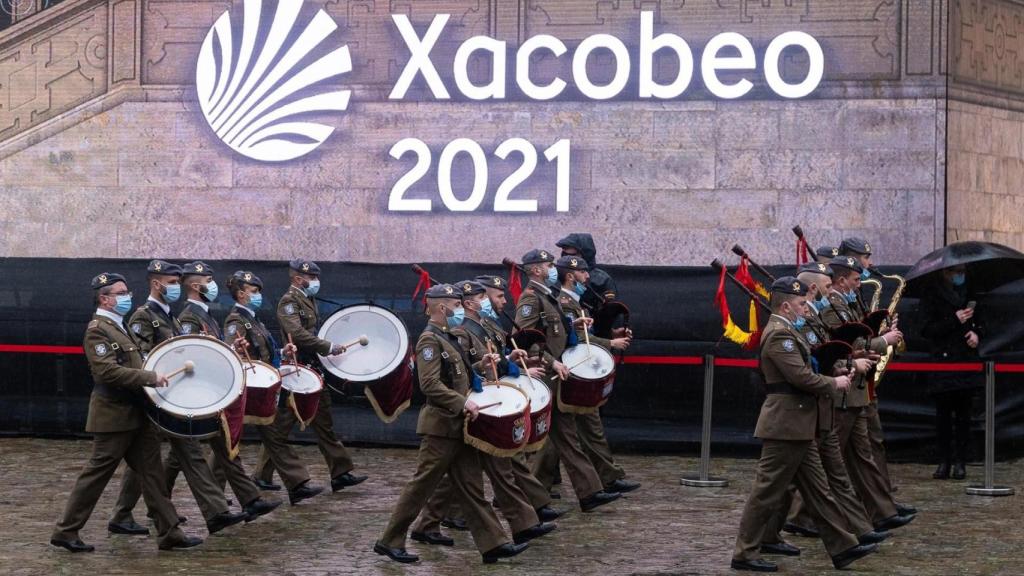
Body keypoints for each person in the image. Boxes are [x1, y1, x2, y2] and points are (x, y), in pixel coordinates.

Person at [730, 277, 877, 573]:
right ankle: (744, 553)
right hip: (785, 424)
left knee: (819, 490)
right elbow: (800, 377)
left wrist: (837, 369)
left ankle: (843, 546)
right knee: (766, 491)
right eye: (800, 304)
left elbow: (810, 366)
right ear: (786, 306)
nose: (805, 308)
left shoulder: (789, 332)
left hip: (799, 423)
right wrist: (834, 383)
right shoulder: (779, 336)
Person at [374, 283, 528, 564]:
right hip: (441, 428)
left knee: (472, 488)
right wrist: (462, 403)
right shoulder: (429, 340)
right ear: (442, 308)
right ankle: (389, 541)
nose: (461, 310)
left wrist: (484, 365)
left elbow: (461, 375)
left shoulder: (450, 337)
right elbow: (430, 384)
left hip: (460, 427)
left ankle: (493, 543)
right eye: (457, 305)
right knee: (420, 487)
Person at [51, 273, 202, 552]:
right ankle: (66, 530)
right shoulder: (98, 329)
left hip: (137, 413)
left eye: (126, 292)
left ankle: (170, 532)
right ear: (104, 299)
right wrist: (149, 378)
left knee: (153, 474)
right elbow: (106, 371)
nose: (127, 297)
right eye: (120, 293)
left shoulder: (119, 325)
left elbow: (136, 361)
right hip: (114, 416)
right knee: (97, 474)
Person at [411, 280, 556, 548]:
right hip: (466, 409)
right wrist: (466, 400)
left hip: (482, 405)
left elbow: (472, 367)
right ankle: (407, 532)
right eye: (488, 298)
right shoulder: (454, 333)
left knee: (478, 472)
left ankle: (517, 528)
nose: (496, 302)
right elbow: (440, 380)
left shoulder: (483, 327)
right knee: (446, 477)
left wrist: (505, 363)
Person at [111, 261, 247, 537]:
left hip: (175, 396)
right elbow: (142, 358)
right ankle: (124, 514)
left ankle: (215, 513)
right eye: (171, 283)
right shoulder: (144, 316)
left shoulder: (169, 317)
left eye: (176, 282)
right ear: (156, 284)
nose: (176, 288)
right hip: (155, 397)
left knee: (185, 452)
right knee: (145, 460)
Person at [515, 249, 621, 512]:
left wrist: (572, 326)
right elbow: (524, 338)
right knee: (551, 441)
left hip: (557, 376)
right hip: (546, 374)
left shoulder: (547, 296)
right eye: (549, 265)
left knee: (567, 438)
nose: (554, 269)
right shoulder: (531, 298)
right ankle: (530, 501)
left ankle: (589, 493)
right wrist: (551, 361)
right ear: (536, 270)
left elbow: (552, 331)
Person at [254, 259, 367, 502]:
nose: (315, 282)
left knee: (324, 423)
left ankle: (340, 473)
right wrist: (327, 346)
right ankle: (262, 475)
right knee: (282, 425)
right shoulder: (289, 302)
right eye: (311, 277)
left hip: (313, 368)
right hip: (297, 370)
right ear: (297, 279)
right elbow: (297, 334)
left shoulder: (307, 299)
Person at [175, 269, 281, 521]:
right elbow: (192, 353)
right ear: (195, 286)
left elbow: (212, 350)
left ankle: (249, 501)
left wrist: (232, 348)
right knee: (179, 456)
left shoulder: (204, 314)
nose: (213, 285)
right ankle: (161, 506)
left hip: (212, 390)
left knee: (221, 446)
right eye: (208, 281)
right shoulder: (189, 316)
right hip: (199, 391)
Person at [820, 257, 914, 531]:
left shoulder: (847, 303)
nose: (859, 284)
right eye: (855, 279)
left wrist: (882, 329)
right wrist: (883, 340)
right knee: (828, 459)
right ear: (841, 281)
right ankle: (802, 516)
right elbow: (846, 344)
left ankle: (881, 512)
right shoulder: (833, 306)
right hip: (844, 393)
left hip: (857, 392)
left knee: (863, 457)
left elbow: (859, 339)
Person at [476, 274, 563, 522]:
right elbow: (480, 365)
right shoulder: (468, 329)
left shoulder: (490, 324)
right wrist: (517, 369)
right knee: (465, 469)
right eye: (498, 296)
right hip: (482, 400)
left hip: (497, 395)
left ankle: (534, 508)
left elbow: (502, 354)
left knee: (503, 460)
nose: (505, 301)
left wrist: (515, 362)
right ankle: (532, 510)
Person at [551, 255, 638, 494]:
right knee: (561, 436)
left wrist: (613, 334)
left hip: (582, 374)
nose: (588, 276)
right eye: (583, 272)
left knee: (590, 427)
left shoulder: (577, 302)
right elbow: (576, 339)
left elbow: (586, 335)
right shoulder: (564, 303)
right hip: (572, 374)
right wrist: (611, 343)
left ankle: (609, 477)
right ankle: (535, 489)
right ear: (571, 276)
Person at [919, 264, 982, 480]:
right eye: (956, 272)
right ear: (945, 273)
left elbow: (982, 321)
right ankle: (944, 460)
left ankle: (961, 461)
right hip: (943, 362)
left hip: (966, 361)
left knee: (964, 415)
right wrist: (954, 319)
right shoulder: (932, 294)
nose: (960, 276)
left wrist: (976, 334)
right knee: (943, 415)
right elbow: (927, 329)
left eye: (963, 272)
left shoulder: (970, 292)